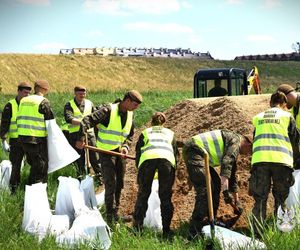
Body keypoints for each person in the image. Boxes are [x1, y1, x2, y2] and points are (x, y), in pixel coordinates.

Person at [76, 90, 142, 224]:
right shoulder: (108, 110)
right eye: (135, 104)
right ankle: (110, 217)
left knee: (119, 183)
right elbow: (87, 121)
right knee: (111, 184)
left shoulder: (130, 114)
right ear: (127, 101)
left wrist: (125, 146)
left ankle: (115, 212)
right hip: (106, 152)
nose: (136, 108)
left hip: (119, 153)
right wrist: (81, 138)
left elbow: (129, 134)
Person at [182, 129, 252, 239]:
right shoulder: (236, 142)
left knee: (216, 184)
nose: (248, 154)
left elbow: (232, 175)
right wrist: (225, 192)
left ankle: (210, 221)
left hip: (201, 155)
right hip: (194, 150)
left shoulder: (234, 146)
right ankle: (193, 232)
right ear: (248, 143)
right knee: (206, 188)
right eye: (250, 150)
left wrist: (236, 200)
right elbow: (226, 164)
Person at [249, 91, 300, 235]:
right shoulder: (286, 116)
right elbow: (295, 141)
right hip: (281, 162)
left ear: (270, 103)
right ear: (284, 104)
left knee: (260, 200)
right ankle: (281, 233)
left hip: (260, 161)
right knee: (281, 199)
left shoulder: (258, 118)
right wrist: (296, 161)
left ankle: (257, 236)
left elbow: (255, 140)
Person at [133, 112, 179, 238]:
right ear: (164, 123)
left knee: (143, 194)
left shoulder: (145, 133)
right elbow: (175, 154)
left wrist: (140, 170)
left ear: (151, 122)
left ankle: (137, 228)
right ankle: (166, 231)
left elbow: (138, 153)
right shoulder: (170, 133)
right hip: (167, 162)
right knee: (165, 197)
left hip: (147, 161)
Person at [17, 80, 54, 185]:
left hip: (23, 139)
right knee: (40, 167)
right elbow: (50, 122)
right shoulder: (43, 101)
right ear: (45, 89)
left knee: (34, 164)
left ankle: (30, 188)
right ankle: (35, 191)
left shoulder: (24, 100)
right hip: (36, 139)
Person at [0, 82, 32, 193]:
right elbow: (5, 123)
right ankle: (14, 190)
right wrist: (4, 140)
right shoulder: (10, 105)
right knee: (16, 167)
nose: (27, 95)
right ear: (18, 91)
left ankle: (29, 189)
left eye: (29, 93)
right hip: (15, 142)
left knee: (33, 165)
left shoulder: (30, 104)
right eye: (25, 92)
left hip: (29, 140)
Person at [64, 85, 101, 179]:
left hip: (89, 134)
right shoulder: (69, 104)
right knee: (79, 157)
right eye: (80, 93)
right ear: (75, 93)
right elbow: (69, 118)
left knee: (94, 155)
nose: (82, 95)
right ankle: (81, 177)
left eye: (84, 93)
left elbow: (95, 118)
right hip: (75, 135)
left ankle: (99, 175)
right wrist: (82, 123)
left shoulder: (89, 103)